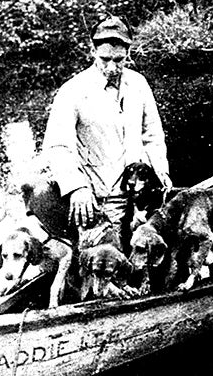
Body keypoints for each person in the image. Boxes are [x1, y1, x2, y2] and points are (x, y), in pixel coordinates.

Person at [40, 15, 170, 250]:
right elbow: (58, 147)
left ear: (128, 53)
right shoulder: (72, 91)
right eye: (105, 59)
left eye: (119, 60)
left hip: (139, 194)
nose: (112, 68)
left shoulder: (139, 84)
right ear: (93, 51)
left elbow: (153, 136)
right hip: (99, 199)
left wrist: (161, 172)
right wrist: (76, 187)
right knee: (107, 260)